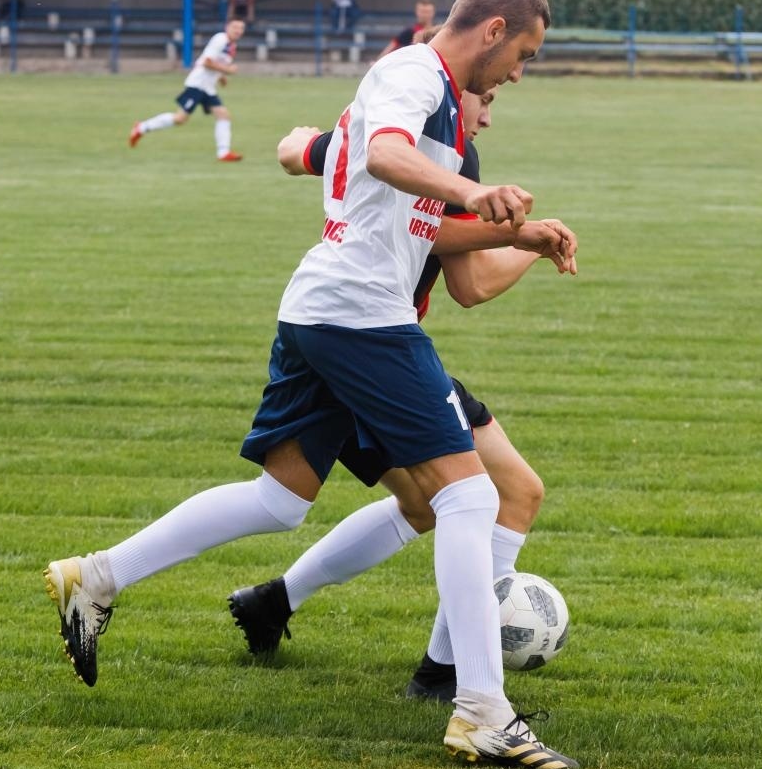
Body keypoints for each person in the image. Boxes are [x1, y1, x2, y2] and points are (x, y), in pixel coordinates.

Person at [47, 0, 580, 769]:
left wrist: (523, 237)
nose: (517, 76)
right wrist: (477, 190)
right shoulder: (413, 74)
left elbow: (423, 236)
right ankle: (479, 708)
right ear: (496, 30)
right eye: (525, 56)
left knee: (279, 498)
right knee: (472, 494)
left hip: (325, 308)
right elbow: (387, 155)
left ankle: (97, 575)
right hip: (363, 312)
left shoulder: (436, 104)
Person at [229, 82, 578, 706]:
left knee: (426, 506)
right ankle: (446, 677)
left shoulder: (426, 149)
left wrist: (529, 242)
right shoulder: (442, 153)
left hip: (364, 346)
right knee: (506, 494)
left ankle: (275, 601)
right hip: (379, 351)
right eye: (486, 98)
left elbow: (291, 149)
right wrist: (520, 238)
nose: (488, 118)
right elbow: (466, 279)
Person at [128, 18, 246, 162]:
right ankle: (141, 127)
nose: (238, 31)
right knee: (180, 119)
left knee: (223, 115)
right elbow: (207, 62)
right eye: (235, 27)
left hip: (208, 87)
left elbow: (215, 62)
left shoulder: (231, 46)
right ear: (227, 27)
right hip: (198, 84)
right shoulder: (220, 39)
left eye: (241, 28)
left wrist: (221, 76)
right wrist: (227, 70)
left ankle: (223, 153)